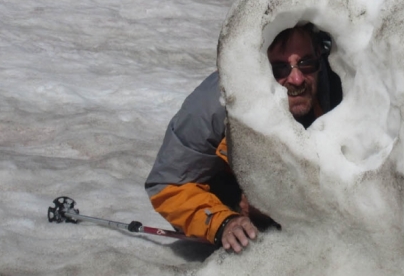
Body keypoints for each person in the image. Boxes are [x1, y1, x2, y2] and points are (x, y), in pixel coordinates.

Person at [145, 24, 342, 253]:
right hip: (235, 197)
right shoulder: (213, 107)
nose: (297, 79)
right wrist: (222, 222)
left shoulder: (346, 87)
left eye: (306, 62)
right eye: (278, 68)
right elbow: (169, 186)